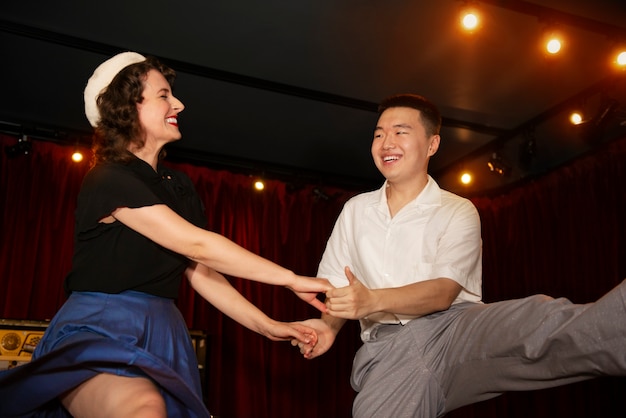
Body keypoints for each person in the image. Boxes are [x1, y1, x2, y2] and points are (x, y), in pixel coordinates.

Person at [0, 52, 332, 418]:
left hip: (164, 332)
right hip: (103, 326)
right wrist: (290, 279)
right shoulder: (109, 178)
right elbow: (198, 244)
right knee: (143, 408)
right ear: (128, 106)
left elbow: (201, 270)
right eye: (164, 95)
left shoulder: (180, 187)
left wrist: (267, 325)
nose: (178, 103)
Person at [293, 93, 626, 417]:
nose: (386, 142)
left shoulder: (457, 210)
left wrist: (372, 300)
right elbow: (338, 288)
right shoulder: (356, 210)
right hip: (390, 347)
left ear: (432, 144)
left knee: (538, 324)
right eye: (379, 134)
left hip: (454, 329)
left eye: (400, 132)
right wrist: (329, 328)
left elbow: (443, 292)